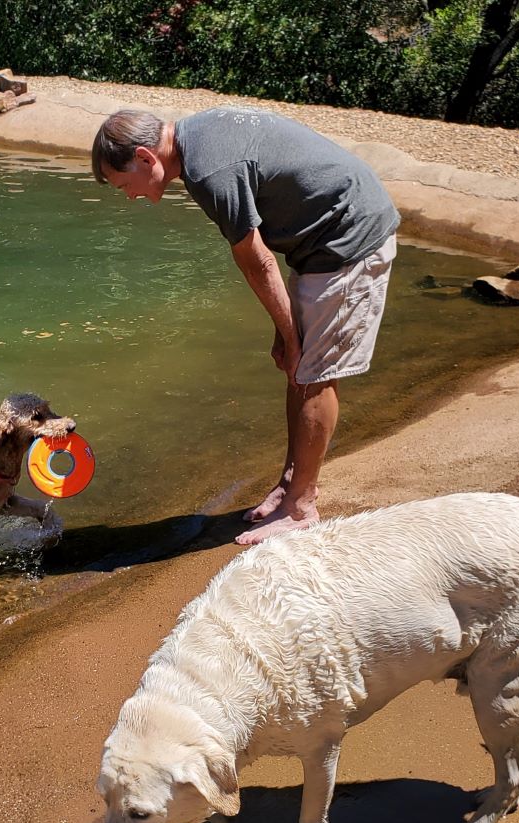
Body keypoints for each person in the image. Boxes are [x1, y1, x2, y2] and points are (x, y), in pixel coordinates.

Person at [92, 107, 400, 545]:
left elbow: (256, 260)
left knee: (314, 374)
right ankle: (292, 481)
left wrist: (292, 336)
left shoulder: (209, 171)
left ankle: (301, 506)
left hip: (350, 237)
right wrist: (285, 331)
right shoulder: (195, 141)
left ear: (145, 158)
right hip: (320, 243)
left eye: (126, 186)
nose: (131, 196)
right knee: (297, 368)